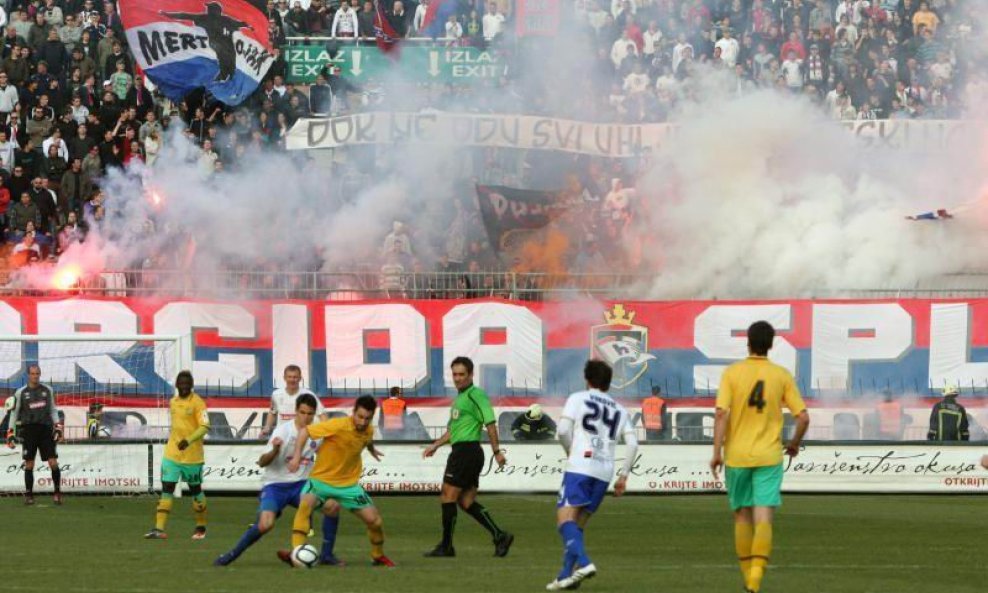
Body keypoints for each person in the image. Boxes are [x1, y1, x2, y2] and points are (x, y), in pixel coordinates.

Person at [710, 321, 810, 593]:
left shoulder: (732, 373)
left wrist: (716, 452)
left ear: (748, 342)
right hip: (769, 455)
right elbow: (803, 418)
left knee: (742, 516)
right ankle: (755, 581)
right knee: (764, 516)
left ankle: (747, 578)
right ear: (771, 344)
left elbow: (721, 414)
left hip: (737, 456)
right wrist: (794, 444)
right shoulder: (781, 375)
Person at [215, 394, 343, 565]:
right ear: (296, 411)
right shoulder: (283, 431)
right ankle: (231, 555)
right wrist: (275, 450)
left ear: (314, 414)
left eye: (310, 414)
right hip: (275, 485)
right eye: (302, 413)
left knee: (332, 506)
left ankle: (327, 555)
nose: (306, 417)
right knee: (266, 524)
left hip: (301, 485)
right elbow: (262, 462)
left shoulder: (317, 433)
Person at [545, 360, 638, 591]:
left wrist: (570, 451)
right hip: (604, 471)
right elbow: (633, 443)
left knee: (564, 520)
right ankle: (565, 576)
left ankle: (584, 564)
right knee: (577, 525)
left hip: (580, 466)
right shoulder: (619, 409)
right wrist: (623, 475)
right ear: (609, 383)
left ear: (587, 379)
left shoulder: (578, 398)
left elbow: (563, 431)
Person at [277, 395, 395, 567]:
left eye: (367, 418)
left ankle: (377, 556)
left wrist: (372, 449)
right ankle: (297, 552)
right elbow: (305, 431)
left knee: (375, 521)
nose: (362, 422)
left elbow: (366, 439)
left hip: (348, 486)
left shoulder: (368, 429)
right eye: (360, 417)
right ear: (353, 413)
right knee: (305, 504)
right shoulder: (338, 425)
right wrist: (296, 457)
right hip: (320, 480)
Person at [422, 356, 513, 558]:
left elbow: (490, 423)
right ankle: (500, 535)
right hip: (464, 452)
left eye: (462, 374)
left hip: (466, 452)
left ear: (471, 375)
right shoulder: (460, 399)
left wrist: (497, 452)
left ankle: (446, 546)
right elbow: (453, 431)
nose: (458, 378)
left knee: (447, 496)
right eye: (455, 374)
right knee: (466, 502)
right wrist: (435, 445)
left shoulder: (476, 395)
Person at [145, 371, 210, 540]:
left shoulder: (198, 403)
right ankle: (158, 529)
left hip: (192, 457)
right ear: (176, 385)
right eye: (181, 383)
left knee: (195, 490)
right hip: (172, 454)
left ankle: (201, 527)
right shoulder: (172, 402)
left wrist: (188, 441)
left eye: (187, 383)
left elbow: (205, 427)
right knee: (167, 489)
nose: (184, 386)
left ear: (192, 384)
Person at [5, 364, 63, 505]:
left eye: (37, 373)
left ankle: (56, 493)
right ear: (28, 375)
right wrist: (10, 433)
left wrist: (58, 427)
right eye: (32, 373)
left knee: (53, 462)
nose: (35, 376)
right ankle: (29, 495)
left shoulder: (47, 390)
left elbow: (53, 410)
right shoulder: (20, 393)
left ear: (40, 374)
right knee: (29, 464)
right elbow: (14, 414)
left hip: (45, 430)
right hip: (29, 431)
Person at [261, 364, 327, 437]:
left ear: (300, 378)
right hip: (282, 437)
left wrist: (325, 431)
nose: (292, 380)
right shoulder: (276, 394)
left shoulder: (308, 395)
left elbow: (322, 415)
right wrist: (267, 427)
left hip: (302, 437)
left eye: (295, 377)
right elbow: (272, 413)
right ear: (284, 378)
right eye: (289, 377)